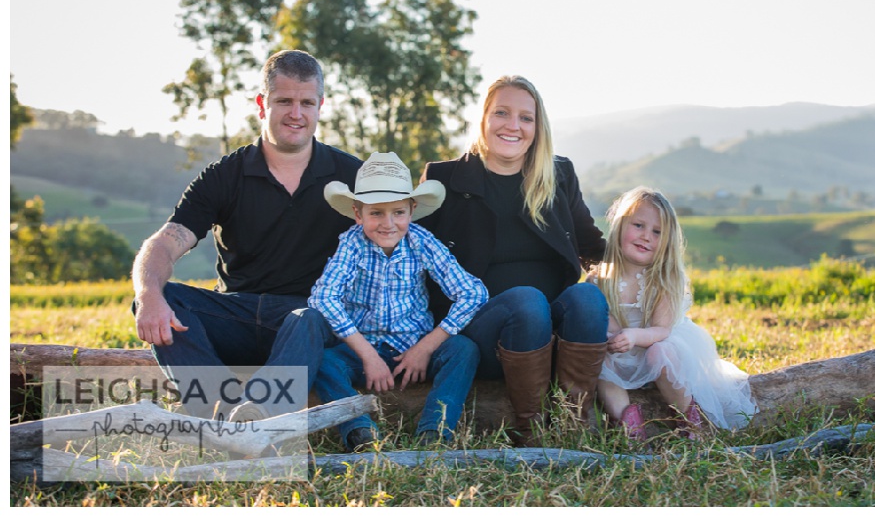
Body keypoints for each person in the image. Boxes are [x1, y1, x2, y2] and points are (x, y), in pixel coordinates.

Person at [131, 49, 362, 420]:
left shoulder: (351, 175)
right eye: (283, 101)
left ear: (321, 105)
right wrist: (147, 294)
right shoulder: (224, 176)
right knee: (166, 297)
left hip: (306, 319)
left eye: (307, 103)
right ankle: (221, 413)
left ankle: (261, 419)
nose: (296, 114)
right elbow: (166, 241)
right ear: (261, 104)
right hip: (236, 314)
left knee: (313, 317)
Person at [418, 75, 608, 446]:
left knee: (587, 299)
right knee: (526, 301)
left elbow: (593, 248)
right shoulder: (444, 178)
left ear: (538, 128)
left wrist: (643, 287)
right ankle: (530, 431)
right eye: (502, 113)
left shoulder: (558, 175)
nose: (513, 126)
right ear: (484, 119)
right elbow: (412, 260)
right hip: (483, 335)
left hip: (556, 340)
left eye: (526, 117)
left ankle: (575, 425)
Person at [308, 152, 488, 450]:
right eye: (376, 213)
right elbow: (323, 297)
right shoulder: (352, 243)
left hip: (417, 346)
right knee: (325, 361)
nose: (388, 223)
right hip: (363, 348)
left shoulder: (422, 241)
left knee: (464, 350)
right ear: (358, 214)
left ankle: (435, 431)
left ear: (412, 209)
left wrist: (425, 348)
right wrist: (367, 355)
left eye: (398, 212)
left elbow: (473, 293)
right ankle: (359, 430)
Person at [592, 187, 757, 441]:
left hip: (655, 344)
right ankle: (629, 425)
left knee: (662, 352)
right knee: (599, 360)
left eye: (657, 232)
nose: (646, 236)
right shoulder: (600, 277)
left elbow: (662, 330)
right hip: (621, 350)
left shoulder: (663, 278)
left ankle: (689, 422)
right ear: (619, 225)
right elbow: (604, 321)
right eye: (638, 225)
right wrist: (613, 338)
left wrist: (634, 335)